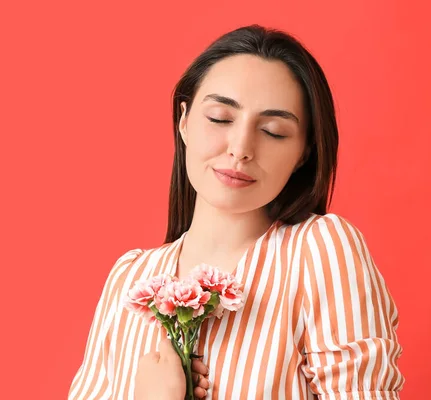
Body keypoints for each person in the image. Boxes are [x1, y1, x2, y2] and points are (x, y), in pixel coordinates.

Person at [68, 24, 405, 399]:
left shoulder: (319, 251)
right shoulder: (129, 279)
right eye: (220, 118)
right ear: (184, 121)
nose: (241, 148)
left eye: (274, 131)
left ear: (303, 154)